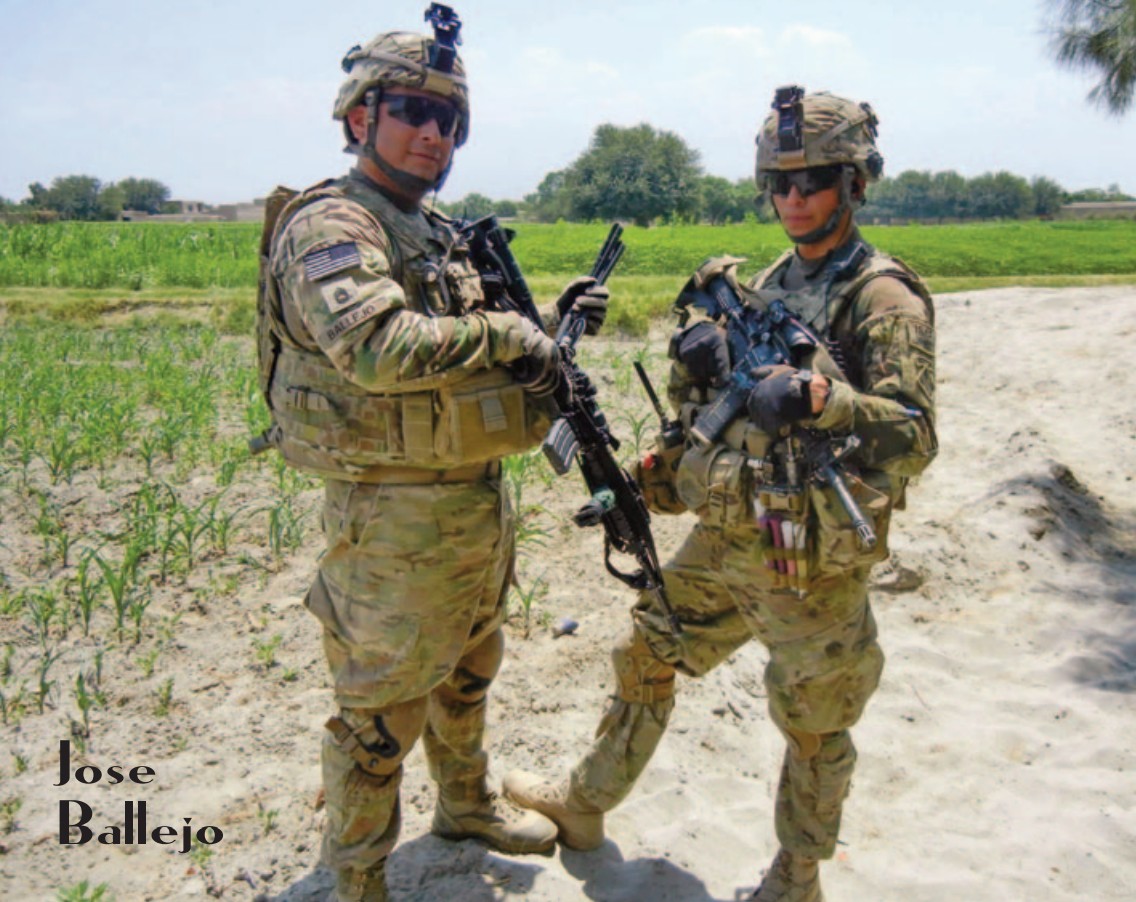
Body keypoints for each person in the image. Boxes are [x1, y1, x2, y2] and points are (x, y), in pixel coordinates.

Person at [503, 85, 938, 902]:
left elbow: (913, 437)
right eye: (779, 183)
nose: (793, 199)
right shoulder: (768, 282)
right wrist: (656, 473)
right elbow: (723, 419)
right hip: (735, 536)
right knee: (647, 649)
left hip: (809, 558)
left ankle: (797, 877)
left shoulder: (882, 297)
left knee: (813, 722)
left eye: (812, 180)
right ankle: (586, 802)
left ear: (855, 183)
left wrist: (825, 400)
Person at [253, 13, 610, 902]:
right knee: (381, 716)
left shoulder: (434, 230)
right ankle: (361, 879)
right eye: (412, 110)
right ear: (357, 118)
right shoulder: (334, 224)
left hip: (472, 501)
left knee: (469, 671)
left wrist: (548, 323)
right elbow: (375, 347)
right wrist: (507, 334)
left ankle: (465, 805)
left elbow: (479, 341)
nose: (433, 133)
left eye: (450, 121)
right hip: (394, 519)